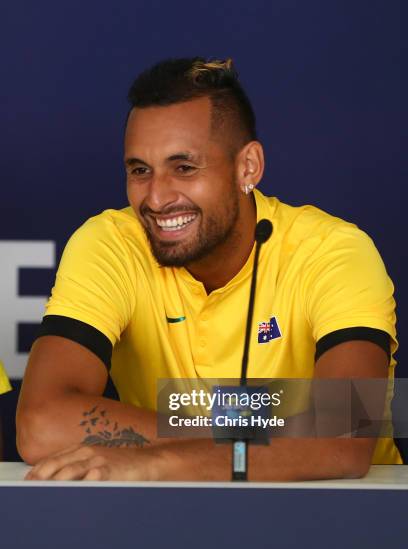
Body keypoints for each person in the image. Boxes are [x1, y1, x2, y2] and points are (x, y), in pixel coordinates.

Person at [16, 57, 399, 481]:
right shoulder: (111, 243)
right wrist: (252, 433)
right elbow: (41, 423)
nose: (157, 198)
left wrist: (160, 459)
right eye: (140, 170)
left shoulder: (335, 251)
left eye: (184, 168)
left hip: (350, 520)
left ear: (247, 167)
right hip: (171, 517)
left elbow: (342, 439)